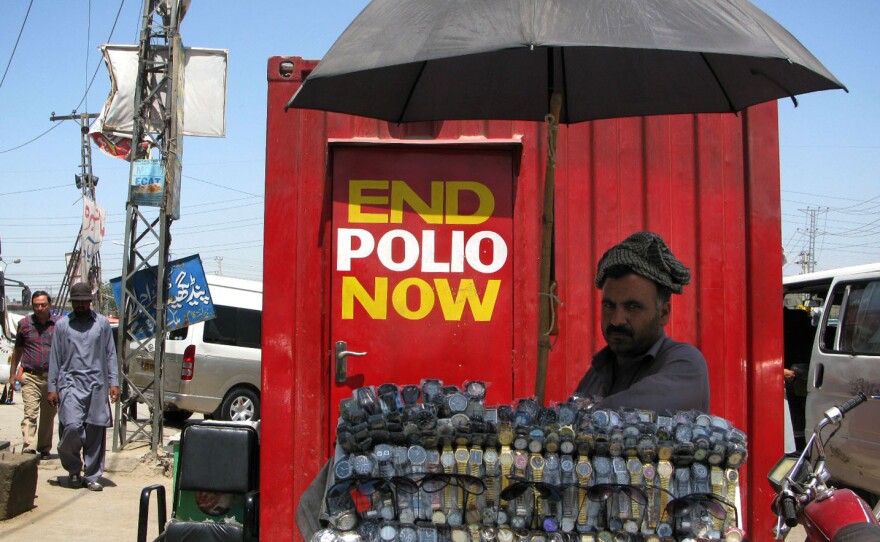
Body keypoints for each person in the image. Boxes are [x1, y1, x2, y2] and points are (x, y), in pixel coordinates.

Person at [572, 231, 710, 413]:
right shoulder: (597, 373)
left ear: (664, 313)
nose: (616, 320)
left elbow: (621, 415)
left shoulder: (686, 365)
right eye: (609, 305)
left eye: (632, 306)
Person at [48, 282, 120, 491]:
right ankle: (73, 469)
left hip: (97, 384)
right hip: (70, 384)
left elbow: (110, 353)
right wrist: (52, 387)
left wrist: (114, 382)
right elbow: (55, 358)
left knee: (96, 431)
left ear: (90, 301)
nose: (80, 305)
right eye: (76, 302)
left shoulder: (102, 324)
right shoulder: (62, 325)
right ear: (72, 303)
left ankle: (92, 475)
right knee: (71, 427)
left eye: (83, 301)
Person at [8, 291, 59, 458]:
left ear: (49, 305)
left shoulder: (59, 324)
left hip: (52, 378)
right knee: (30, 413)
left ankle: (44, 448)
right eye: (36, 305)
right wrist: (13, 374)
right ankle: (29, 446)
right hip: (30, 376)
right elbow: (18, 350)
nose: (39, 308)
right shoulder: (24, 324)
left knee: (48, 415)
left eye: (43, 304)